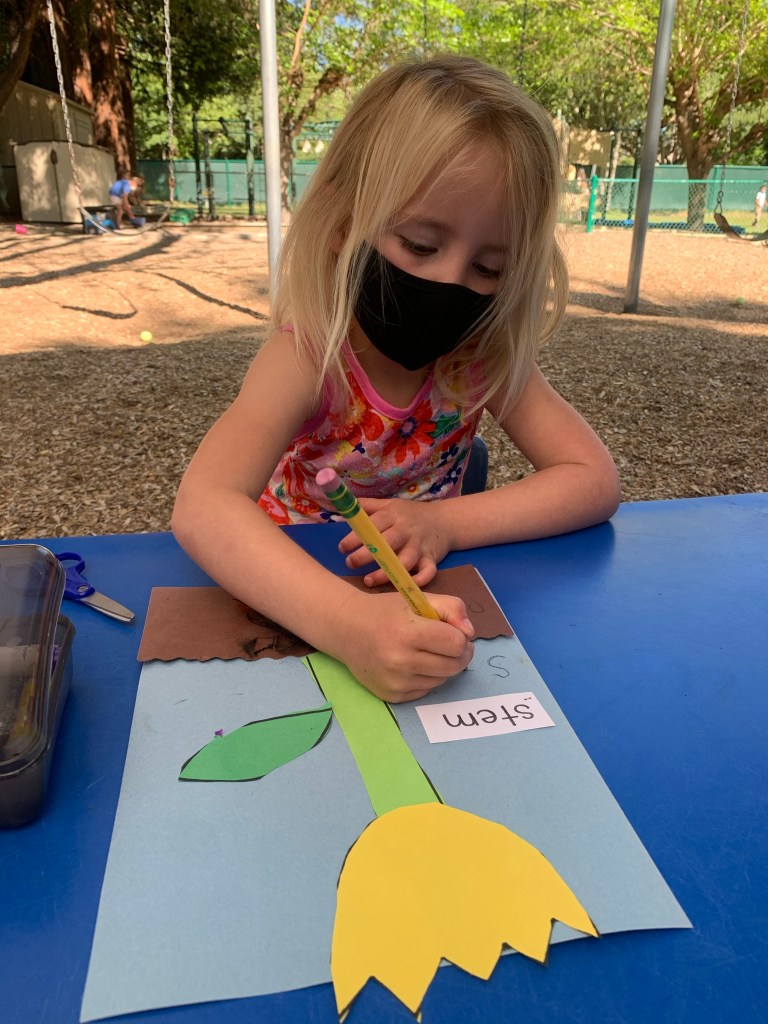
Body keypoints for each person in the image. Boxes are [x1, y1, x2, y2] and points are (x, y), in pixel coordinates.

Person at [172, 54, 621, 704]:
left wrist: (447, 524)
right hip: (292, 589)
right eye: (419, 245)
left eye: (490, 268)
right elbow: (204, 503)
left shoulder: (480, 357)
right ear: (341, 220)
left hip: (425, 594)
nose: (449, 283)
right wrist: (348, 625)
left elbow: (593, 479)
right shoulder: (309, 354)